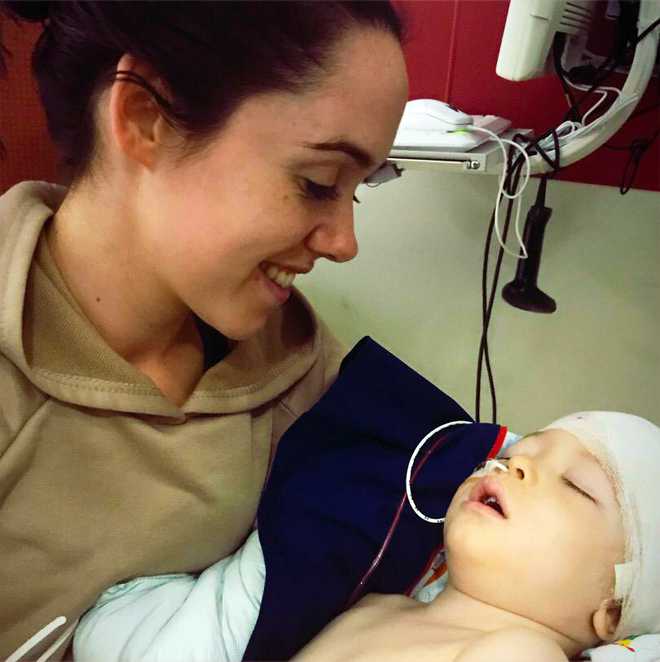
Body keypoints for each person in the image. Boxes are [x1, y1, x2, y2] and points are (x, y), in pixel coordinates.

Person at [0, 2, 409, 659]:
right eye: (317, 182)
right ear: (145, 118)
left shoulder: (302, 376)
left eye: (356, 190)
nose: (344, 241)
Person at [70, 409, 660, 662]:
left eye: (578, 487)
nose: (516, 464)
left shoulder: (517, 651)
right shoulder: (377, 604)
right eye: (524, 450)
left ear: (611, 611)